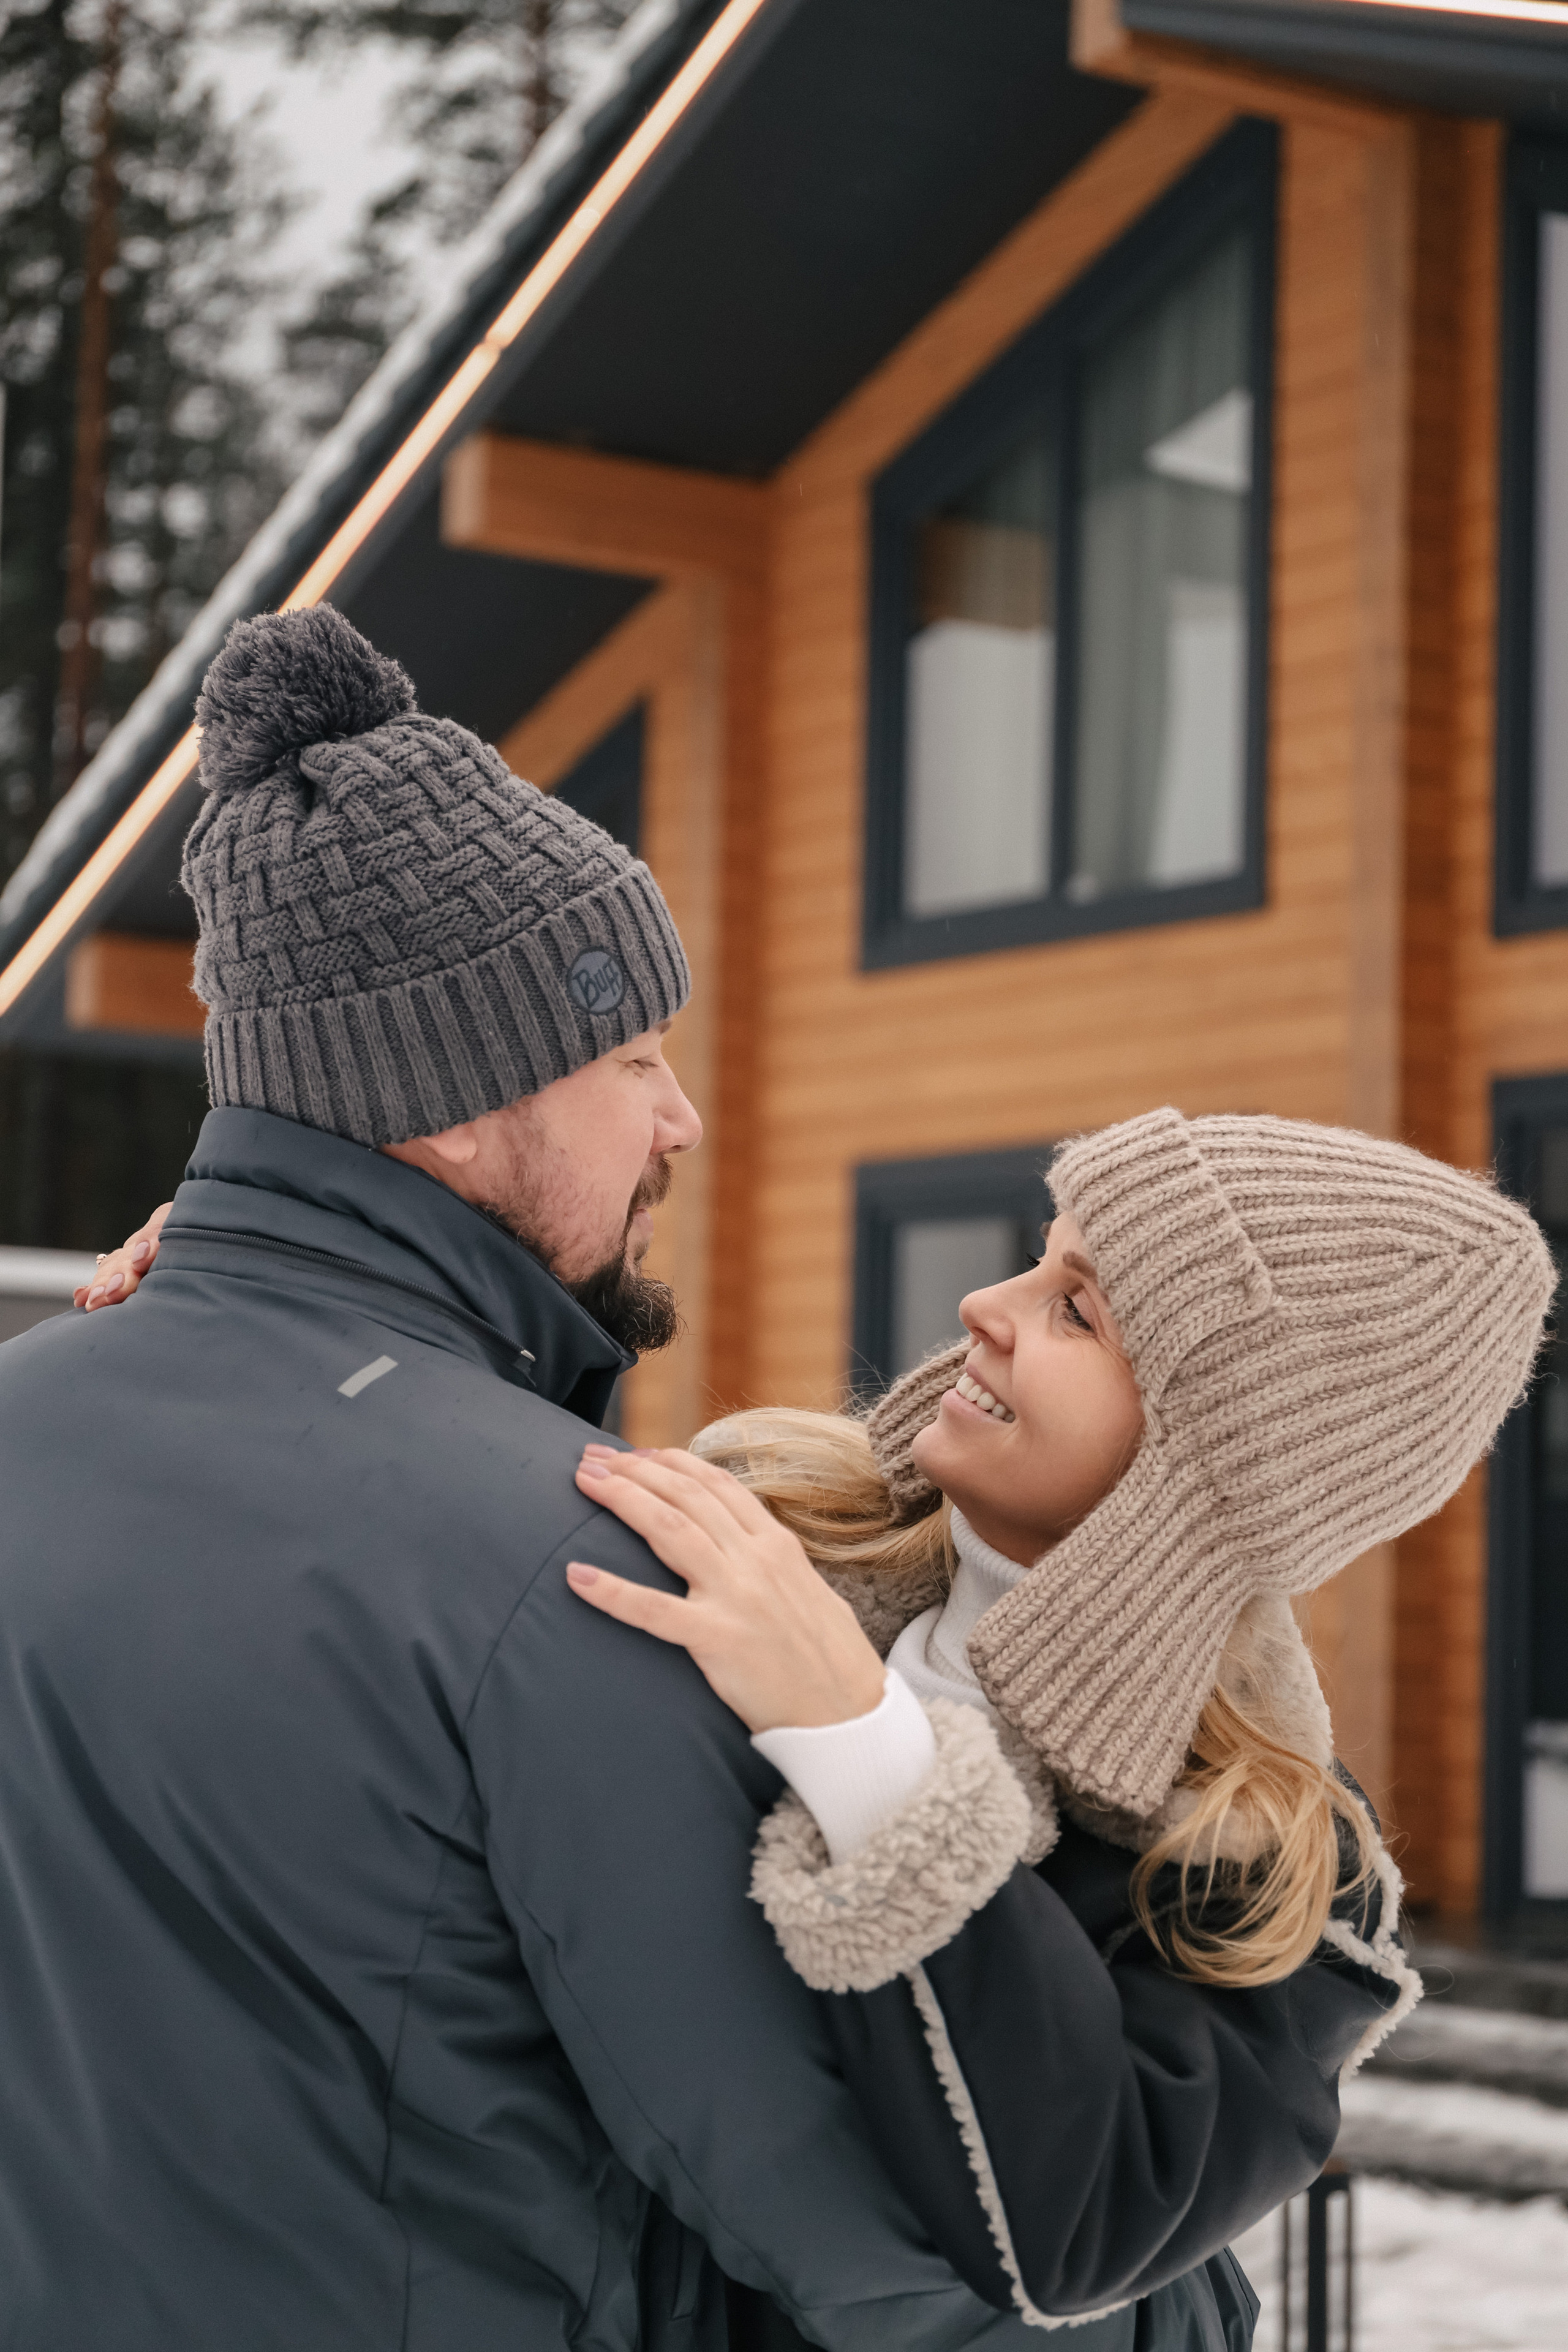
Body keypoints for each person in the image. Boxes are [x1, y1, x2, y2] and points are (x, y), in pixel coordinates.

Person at [0, 605, 1058, 2352]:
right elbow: (857, 2246)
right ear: (446, 1105)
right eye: (630, 1060)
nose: (679, 1121)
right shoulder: (574, 1567)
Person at [549, 1108, 1555, 2329]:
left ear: (1207, 1455)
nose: (983, 1304)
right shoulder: (759, 1526)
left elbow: (1084, 2220)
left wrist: (858, 1742)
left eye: (1076, 1309)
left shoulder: (1268, 1871)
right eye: (1040, 1256)